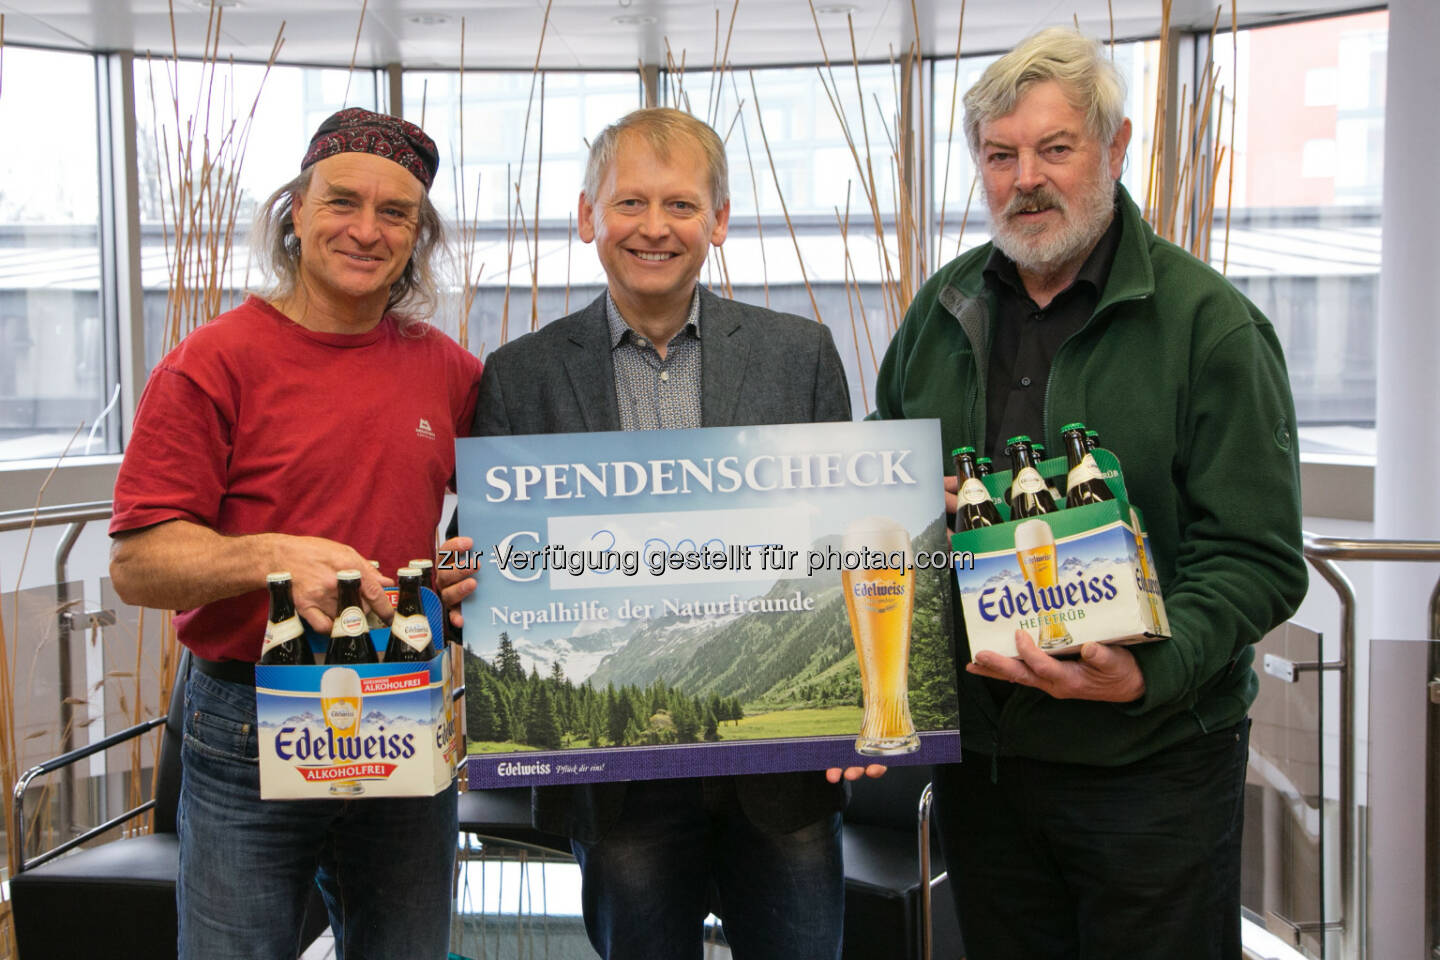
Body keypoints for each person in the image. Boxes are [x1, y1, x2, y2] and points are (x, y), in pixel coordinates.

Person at [872, 29, 1307, 960]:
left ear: (1113, 150)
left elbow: (1260, 558)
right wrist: (915, 511)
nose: (1025, 178)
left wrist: (1151, 667)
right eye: (1000, 154)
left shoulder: (1210, 327)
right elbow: (881, 502)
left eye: (1055, 148)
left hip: (1150, 767)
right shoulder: (938, 314)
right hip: (985, 767)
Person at [460, 107, 872, 960]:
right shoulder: (521, 377)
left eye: (682, 205)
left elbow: (848, 551)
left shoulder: (801, 356)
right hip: (617, 790)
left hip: (784, 780)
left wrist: (869, 705)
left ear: (718, 220)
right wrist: (467, 580)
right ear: (588, 217)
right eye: (630, 203)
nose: (655, 227)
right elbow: (488, 553)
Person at [108, 108, 483, 960]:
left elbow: (505, 510)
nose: (365, 229)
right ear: (296, 213)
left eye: (395, 214)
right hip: (247, 716)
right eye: (341, 201)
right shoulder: (213, 362)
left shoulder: (445, 368)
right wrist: (274, 556)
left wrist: (469, 569)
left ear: (417, 235)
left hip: (401, 704)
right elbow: (137, 564)